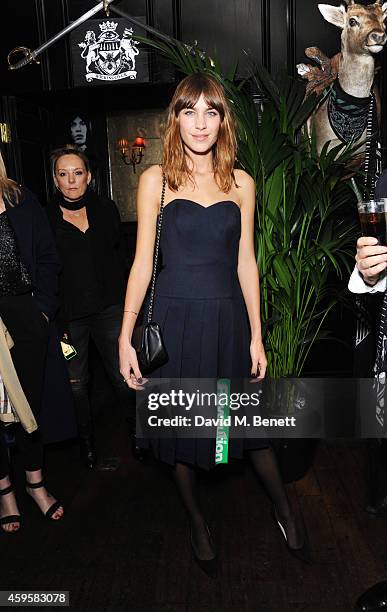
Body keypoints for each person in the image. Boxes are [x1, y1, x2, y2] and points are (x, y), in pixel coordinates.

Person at [118, 73, 310, 573]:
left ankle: (285, 510)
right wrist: (124, 336)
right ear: (175, 118)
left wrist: (257, 334)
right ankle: (197, 521)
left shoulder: (241, 182)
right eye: (189, 110)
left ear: (223, 120)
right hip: (174, 321)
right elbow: (142, 262)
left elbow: (246, 262)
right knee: (183, 434)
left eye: (211, 111)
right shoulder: (155, 179)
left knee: (248, 428)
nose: (200, 122)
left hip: (226, 319)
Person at [46, 145, 133, 468]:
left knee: (124, 378)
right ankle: (88, 448)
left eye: (77, 173)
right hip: (69, 317)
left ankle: (138, 436)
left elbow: (120, 257)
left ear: (90, 176)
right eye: (63, 174)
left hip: (109, 308)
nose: (71, 181)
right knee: (77, 385)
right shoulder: (46, 218)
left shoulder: (105, 208)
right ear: (55, 180)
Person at [0, 151, 64, 533]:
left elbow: (47, 258)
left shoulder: (19, 198)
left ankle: (36, 484)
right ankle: (5, 491)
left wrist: (42, 310)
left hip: (24, 316)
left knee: (29, 407)